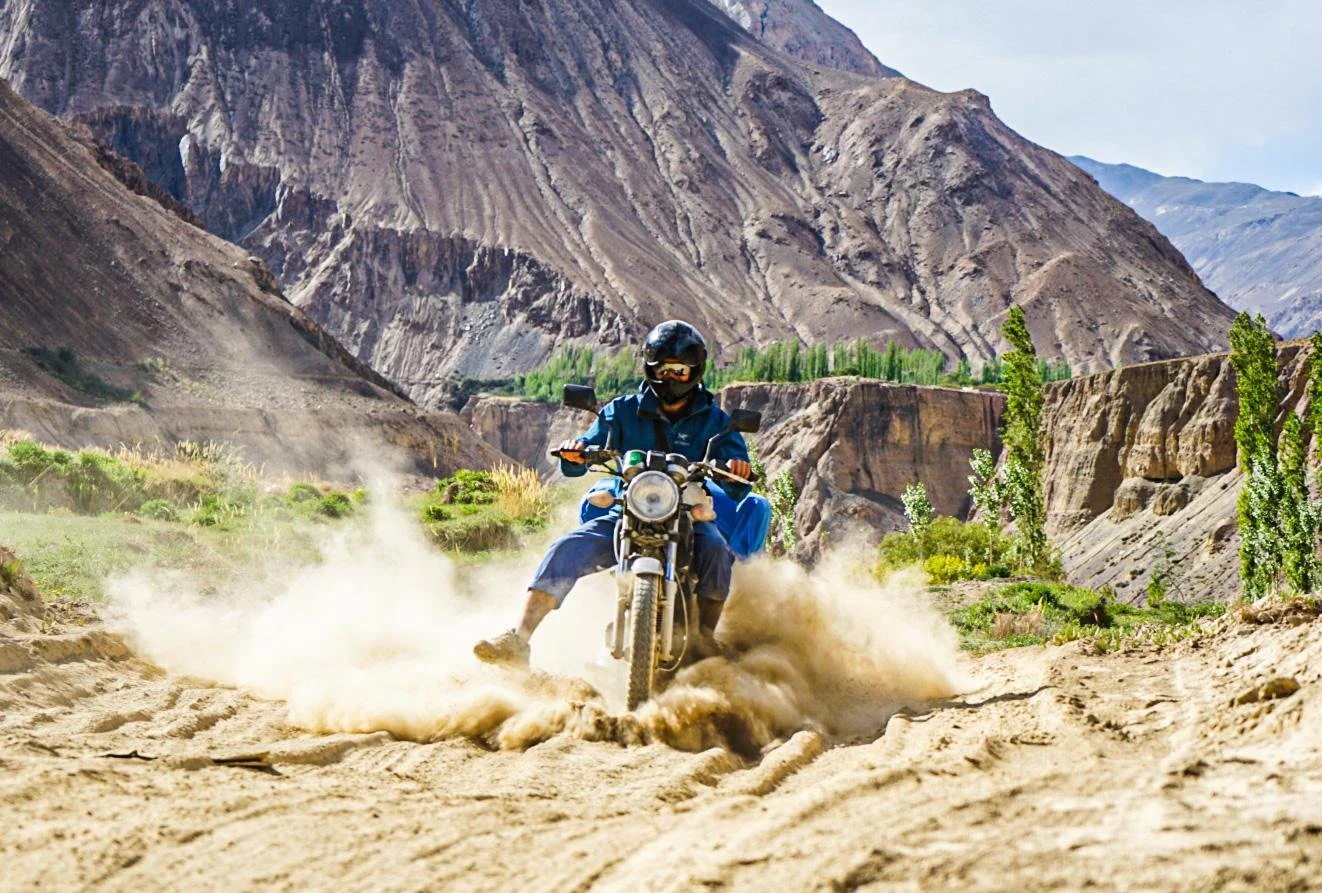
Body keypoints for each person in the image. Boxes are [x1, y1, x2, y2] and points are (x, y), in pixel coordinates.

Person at [474, 320, 753, 667]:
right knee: (567, 548)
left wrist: (737, 469)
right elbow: (582, 455)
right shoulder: (621, 411)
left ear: (694, 371)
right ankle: (519, 639)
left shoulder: (715, 420)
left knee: (715, 549)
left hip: (684, 513)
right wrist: (577, 452)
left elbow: (736, 476)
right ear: (650, 368)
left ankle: (703, 637)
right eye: (664, 368)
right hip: (628, 510)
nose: (671, 377)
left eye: (680, 370)